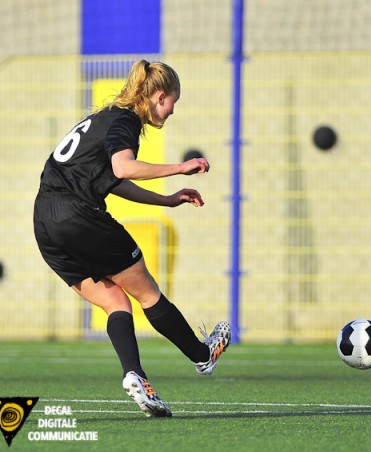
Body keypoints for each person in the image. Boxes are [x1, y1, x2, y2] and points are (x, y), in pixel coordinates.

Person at [33, 60, 231, 418]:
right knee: (147, 293)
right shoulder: (124, 120)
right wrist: (179, 167)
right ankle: (203, 356)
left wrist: (168, 199)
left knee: (116, 303)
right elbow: (123, 167)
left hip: (45, 223)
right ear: (158, 97)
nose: (172, 111)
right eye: (173, 102)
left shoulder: (106, 117)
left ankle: (136, 377)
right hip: (78, 216)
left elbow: (114, 181)